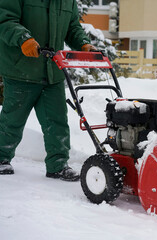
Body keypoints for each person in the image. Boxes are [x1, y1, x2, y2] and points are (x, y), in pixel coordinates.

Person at [0, 0, 96, 181]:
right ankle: (1, 158)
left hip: (52, 71)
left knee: (57, 121)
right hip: (21, 69)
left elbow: (72, 27)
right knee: (12, 119)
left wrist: (83, 44)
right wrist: (23, 38)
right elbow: (5, 20)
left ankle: (58, 166)